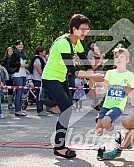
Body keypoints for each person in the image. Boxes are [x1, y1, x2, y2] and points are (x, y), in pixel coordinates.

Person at [41, 14, 104, 159]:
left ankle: (59, 145)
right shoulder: (63, 43)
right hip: (51, 78)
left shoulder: (77, 42)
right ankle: (59, 147)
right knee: (67, 109)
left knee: (67, 110)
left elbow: (85, 62)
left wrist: (90, 73)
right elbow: (73, 70)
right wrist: (92, 76)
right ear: (74, 29)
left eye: (87, 29)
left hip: (61, 78)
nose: (85, 32)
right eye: (82, 29)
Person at [95, 47, 134, 161]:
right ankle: (101, 148)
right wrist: (100, 90)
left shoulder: (130, 75)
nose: (118, 59)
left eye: (121, 57)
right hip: (107, 104)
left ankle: (117, 136)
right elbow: (105, 88)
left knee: (105, 121)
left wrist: (129, 91)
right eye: (117, 57)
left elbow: (130, 91)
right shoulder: (110, 73)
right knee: (99, 126)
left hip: (118, 105)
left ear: (127, 60)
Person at [30, 46, 53, 116]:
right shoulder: (37, 60)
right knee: (39, 95)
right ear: (40, 52)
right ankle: (39, 110)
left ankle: (45, 108)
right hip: (37, 79)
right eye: (44, 51)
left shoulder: (43, 58)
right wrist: (44, 77)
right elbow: (40, 71)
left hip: (42, 80)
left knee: (44, 95)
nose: (45, 53)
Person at [9, 40, 28, 116]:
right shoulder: (15, 54)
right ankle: (17, 110)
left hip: (23, 74)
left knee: (21, 93)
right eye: (19, 44)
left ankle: (20, 109)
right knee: (18, 93)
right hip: (17, 75)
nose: (21, 46)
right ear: (16, 46)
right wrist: (20, 65)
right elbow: (11, 64)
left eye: (22, 44)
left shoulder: (23, 54)